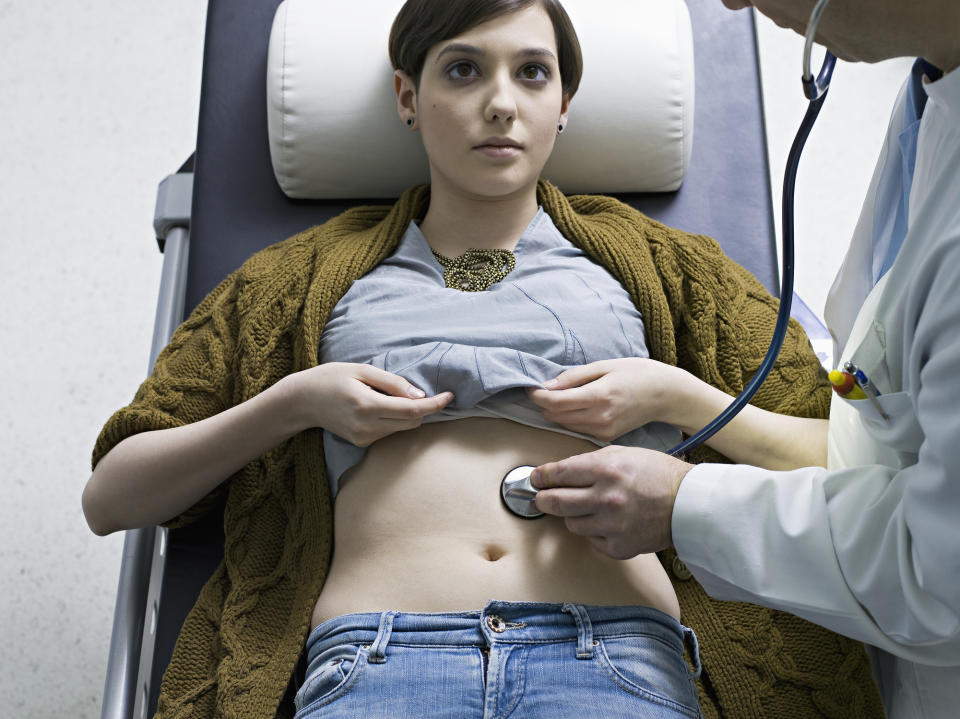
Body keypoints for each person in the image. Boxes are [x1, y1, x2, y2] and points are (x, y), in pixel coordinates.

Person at [83, 1, 885, 717]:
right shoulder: (289, 284)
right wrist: (297, 401)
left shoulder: (676, 271)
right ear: (409, 97)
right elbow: (113, 494)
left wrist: (674, 395)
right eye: (463, 69)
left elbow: (850, 462)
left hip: (617, 659)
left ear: (562, 104)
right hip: (379, 661)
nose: (500, 101)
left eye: (531, 73)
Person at [528, 1, 960, 717]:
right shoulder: (931, 101)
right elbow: (876, 437)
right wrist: (678, 396)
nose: (730, 4)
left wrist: (684, 506)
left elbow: (939, 570)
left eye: (535, 72)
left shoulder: (674, 270)